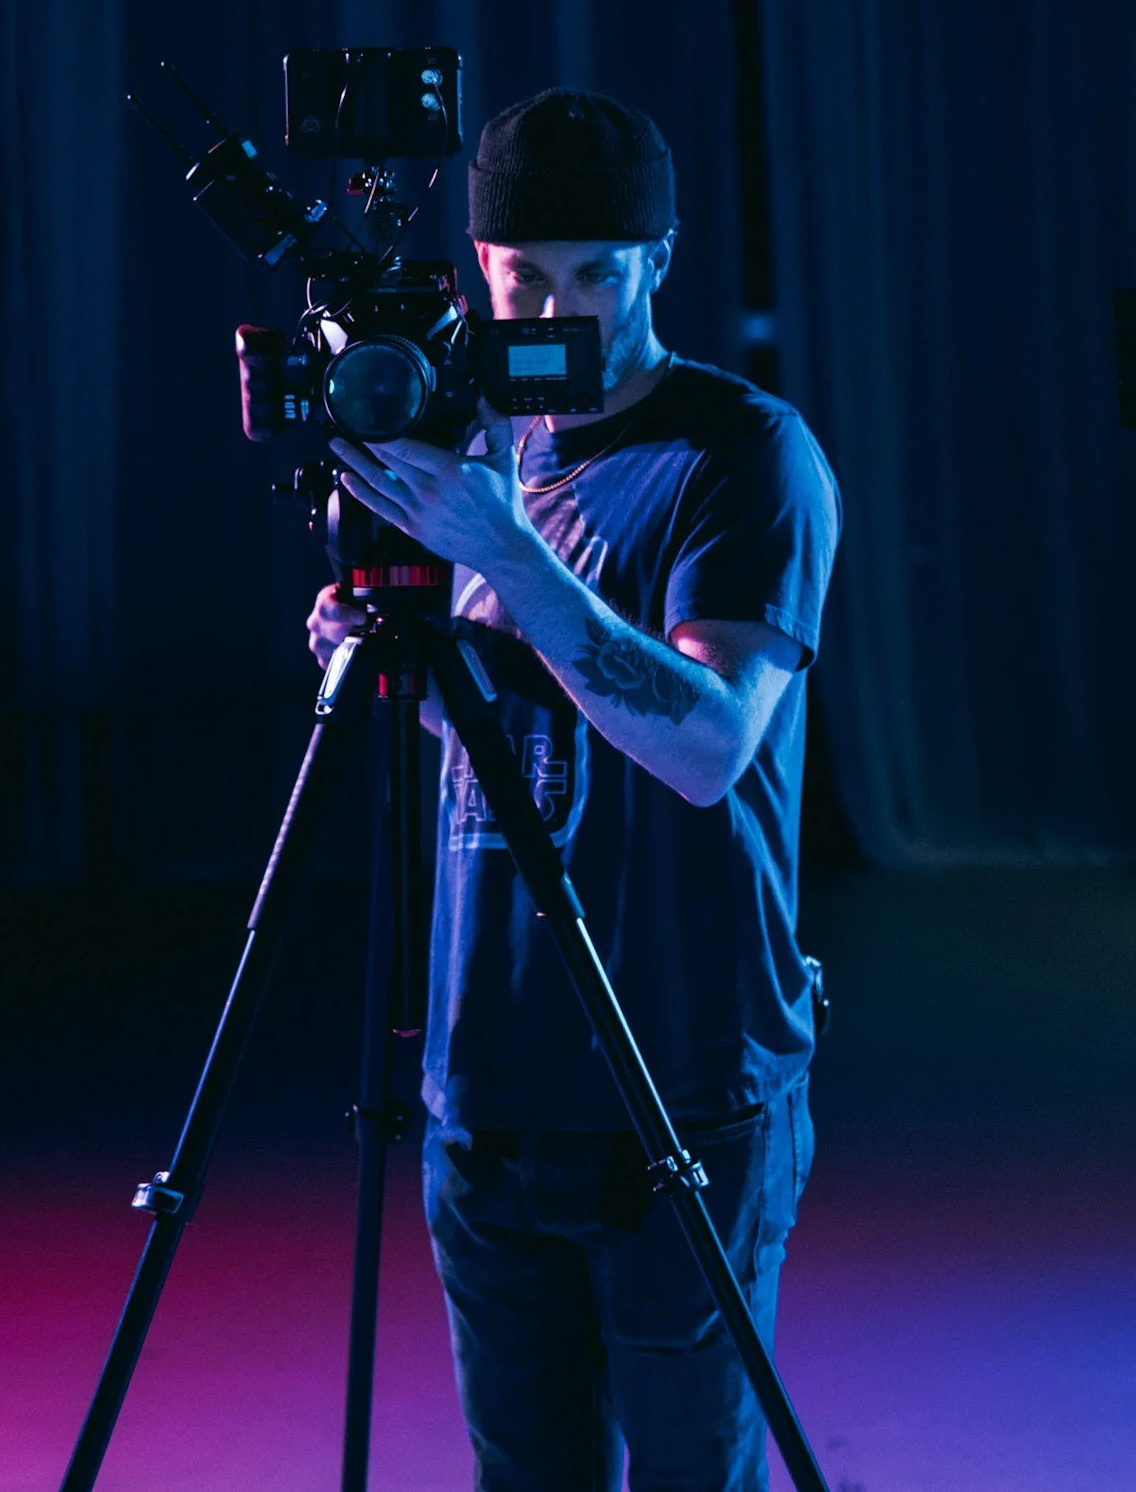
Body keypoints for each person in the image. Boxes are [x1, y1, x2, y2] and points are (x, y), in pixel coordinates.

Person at [303, 88, 840, 1490]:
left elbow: (706, 745)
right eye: (523, 277)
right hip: (490, 1082)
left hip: (685, 1078)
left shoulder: (745, 453)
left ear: (659, 259)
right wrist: (397, 665)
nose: (560, 308)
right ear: (478, 274)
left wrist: (512, 563)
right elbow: (517, 742)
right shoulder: (480, 443)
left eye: (596, 272)